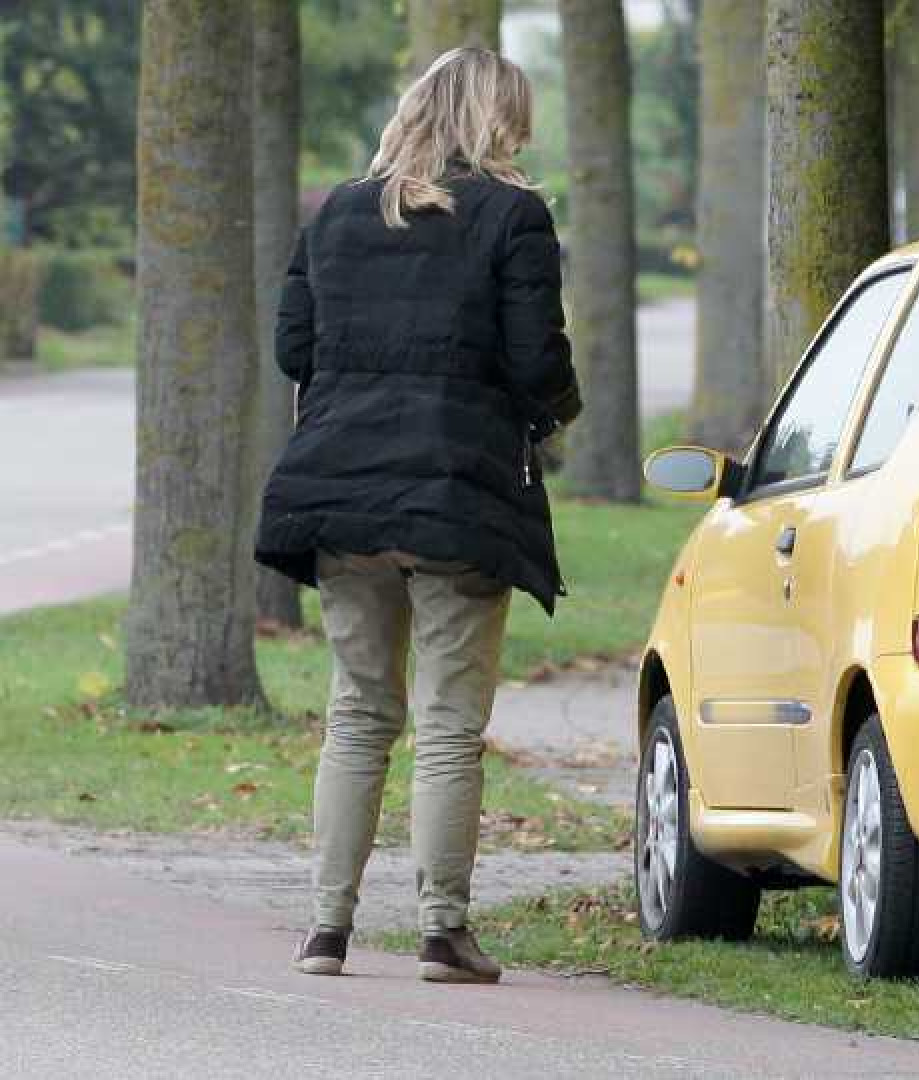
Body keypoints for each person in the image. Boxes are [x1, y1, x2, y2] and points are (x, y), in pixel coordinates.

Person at [255, 46, 580, 984]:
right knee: (446, 722)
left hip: (340, 486)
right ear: (496, 118)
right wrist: (551, 414)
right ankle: (442, 931)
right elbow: (537, 361)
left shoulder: (339, 214)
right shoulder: (514, 215)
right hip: (458, 492)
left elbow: (293, 350)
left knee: (357, 713)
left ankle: (326, 929)